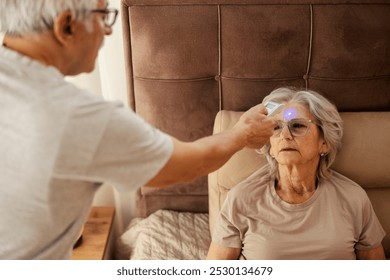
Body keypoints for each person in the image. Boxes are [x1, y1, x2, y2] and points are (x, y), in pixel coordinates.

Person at [0, 0, 277, 259]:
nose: (108, 30)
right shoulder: (76, 117)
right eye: (103, 16)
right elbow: (188, 164)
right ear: (67, 25)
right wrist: (243, 133)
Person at [207, 87, 386, 260]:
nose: (285, 135)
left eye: (298, 126)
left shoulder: (353, 198)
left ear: (324, 142)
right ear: (270, 147)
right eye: (276, 128)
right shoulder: (242, 199)